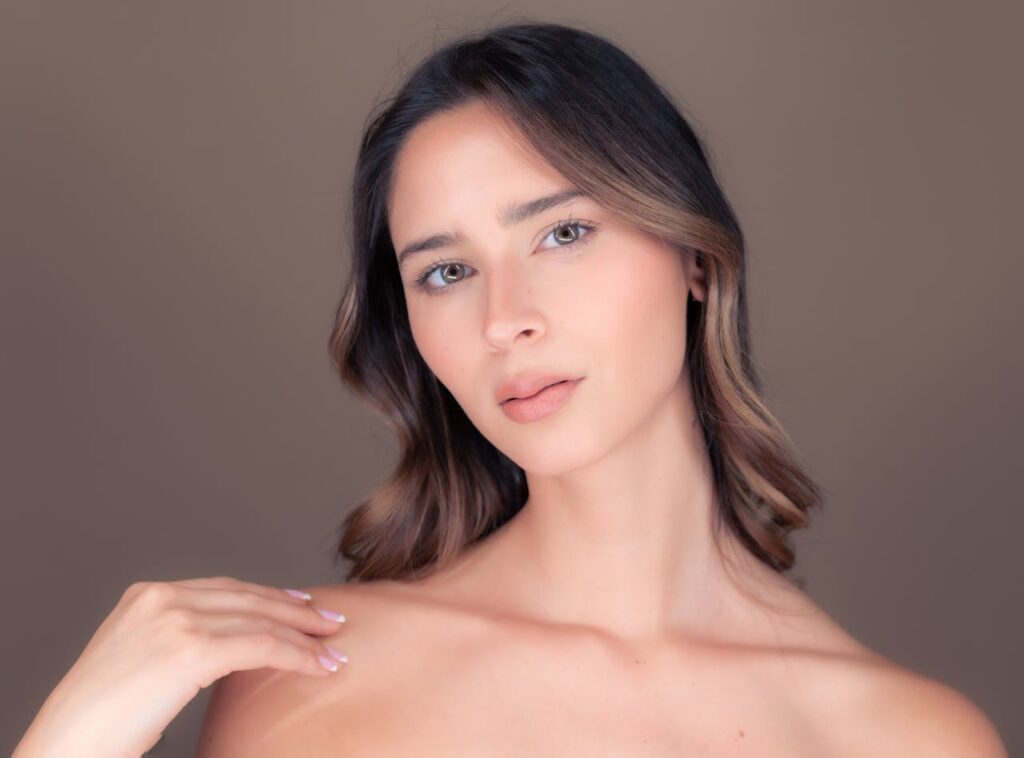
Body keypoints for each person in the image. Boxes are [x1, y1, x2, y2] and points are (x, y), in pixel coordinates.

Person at [14, 21, 1008, 758]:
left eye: (562, 233)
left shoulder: (912, 736)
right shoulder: (307, 682)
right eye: (447, 271)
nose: (505, 317)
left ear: (692, 256)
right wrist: (75, 735)